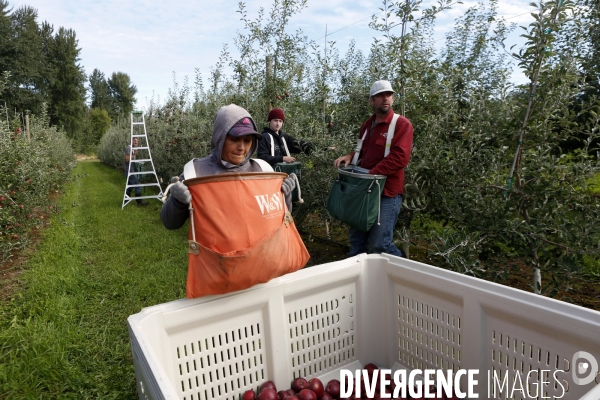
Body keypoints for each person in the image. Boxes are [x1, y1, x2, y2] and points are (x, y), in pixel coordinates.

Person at [161, 104, 296, 230]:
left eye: (247, 140)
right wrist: (177, 202)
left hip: (261, 254)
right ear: (220, 137)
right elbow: (170, 223)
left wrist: (285, 197)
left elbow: (279, 220)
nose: (241, 148)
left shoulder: (263, 171)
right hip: (216, 255)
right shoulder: (195, 173)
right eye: (234, 139)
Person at [333, 80, 413, 257]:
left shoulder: (401, 124)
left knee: (380, 245)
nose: (386, 98)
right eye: (381, 95)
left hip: (387, 193)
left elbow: (400, 157)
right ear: (372, 101)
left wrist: (370, 174)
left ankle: (404, 272)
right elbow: (363, 153)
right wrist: (351, 156)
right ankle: (360, 282)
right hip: (365, 192)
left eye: (389, 95)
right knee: (357, 242)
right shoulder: (367, 125)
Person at [125, 137, 149, 206]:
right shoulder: (129, 148)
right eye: (134, 140)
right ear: (131, 140)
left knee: (130, 187)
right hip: (130, 171)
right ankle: (139, 202)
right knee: (138, 186)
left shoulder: (132, 148)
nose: (136, 142)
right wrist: (134, 154)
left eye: (137, 141)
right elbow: (127, 159)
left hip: (131, 171)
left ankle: (126, 200)